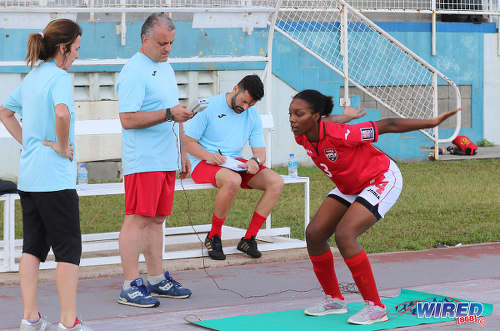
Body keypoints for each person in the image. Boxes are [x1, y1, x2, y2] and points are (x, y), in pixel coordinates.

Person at [288, 89, 458, 325]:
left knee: (345, 235)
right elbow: (328, 121)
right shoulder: (303, 134)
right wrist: (345, 116)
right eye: (291, 114)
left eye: (299, 114)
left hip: (380, 178)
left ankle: (376, 307)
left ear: (315, 116)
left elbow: (387, 124)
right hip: (349, 185)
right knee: (314, 234)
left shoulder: (344, 135)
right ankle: (334, 300)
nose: (292, 120)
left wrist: (432, 122)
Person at [0, 19, 94, 331]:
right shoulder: (58, 77)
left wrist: (28, 140)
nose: (78, 55)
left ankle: (31, 319)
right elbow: (62, 112)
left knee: (33, 248)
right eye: (77, 49)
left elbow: (4, 112)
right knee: (68, 250)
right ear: (63, 49)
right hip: (55, 179)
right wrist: (62, 146)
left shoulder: (33, 77)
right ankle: (69, 323)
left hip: (30, 178)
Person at [116, 13, 194, 309]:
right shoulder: (134, 71)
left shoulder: (166, 68)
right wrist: (167, 115)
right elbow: (128, 119)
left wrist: (182, 151)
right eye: (162, 43)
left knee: (157, 220)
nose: (167, 49)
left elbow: (174, 110)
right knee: (137, 218)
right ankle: (129, 283)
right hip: (144, 159)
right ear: (145, 39)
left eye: (171, 43)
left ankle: (156, 277)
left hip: (166, 156)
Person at [184, 75, 284, 260]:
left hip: (233, 163)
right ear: (236, 88)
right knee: (233, 180)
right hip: (203, 162)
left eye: (250, 104)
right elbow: (188, 142)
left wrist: (255, 161)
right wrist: (209, 157)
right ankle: (214, 236)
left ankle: (248, 239)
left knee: (276, 182)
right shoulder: (208, 106)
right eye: (244, 101)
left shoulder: (251, 114)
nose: (245, 107)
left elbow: (260, 151)